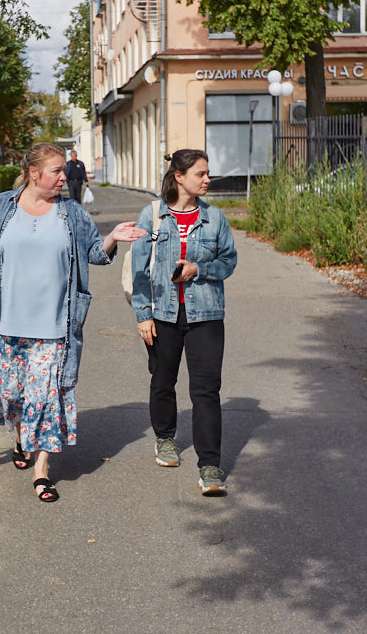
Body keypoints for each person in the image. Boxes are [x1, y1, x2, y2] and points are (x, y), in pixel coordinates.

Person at [0, 143, 146, 502]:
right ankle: (20, 436)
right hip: (7, 325)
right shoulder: (0, 207)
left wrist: (111, 238)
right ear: (34, 174)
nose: (65, 177)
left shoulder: (72, 213)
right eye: (57, 171)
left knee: (45, 399)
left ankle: (41, 471)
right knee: (12, 395)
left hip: (55, 326)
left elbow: (94, 254)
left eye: (64, 171)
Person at [128, 149, 238, 496]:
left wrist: (198, 269)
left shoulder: (215, 218)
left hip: (206, 315)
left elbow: (228, 261)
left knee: (206, 391)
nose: (207, 179)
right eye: (201, 174)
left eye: (208, 173)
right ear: (179, 176)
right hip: (162, 314)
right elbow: (139, 270)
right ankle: (164, 438)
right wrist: (143, 315)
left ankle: (210, 465)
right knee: (163, 381)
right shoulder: (153, 217)